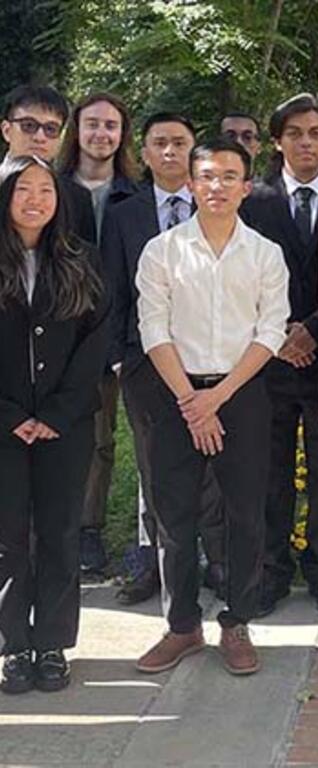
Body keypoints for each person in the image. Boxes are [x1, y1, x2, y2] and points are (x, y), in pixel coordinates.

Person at [135, 138, 289, 676]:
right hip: (174, 393)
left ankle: (238, 621)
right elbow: (153, 328)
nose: (217, 185)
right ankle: (181, 627)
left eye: (229, 176)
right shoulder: (162, 251)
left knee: (245, 513)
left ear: (247, 187)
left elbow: (271, 331)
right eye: (207, 176)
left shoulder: (266, 254)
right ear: (191, 184)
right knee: (174, 516)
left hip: (240, 395)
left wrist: (216, 399)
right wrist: (190, 401)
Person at [102, 113, 226, 605]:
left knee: (213, 463)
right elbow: (112, 290)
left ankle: (217, 559)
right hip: (144, 364)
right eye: (160, 144)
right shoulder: (124, 213)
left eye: (180, 143)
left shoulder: (216, 207)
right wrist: (118, 359)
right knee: (156, 468)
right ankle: (160, 562)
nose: (170, 152)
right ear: (145, 153)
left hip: (210, 362)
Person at [0, 156, 109, 693]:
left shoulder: (81, 260)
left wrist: (57, 413)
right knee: (9, 537)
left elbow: (97, 341)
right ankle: (14, 645)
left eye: (46, 189)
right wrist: (14, 416)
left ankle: (52, 645)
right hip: (4, 426)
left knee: (62, 533)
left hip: (66, 425)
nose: (36, 199)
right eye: (24, 189)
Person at [240, 94, 318, 617]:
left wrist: (314, 331)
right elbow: (239, 278)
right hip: (267, 358)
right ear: (277, 140)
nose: (306, 142)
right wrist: (280, 333)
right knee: (270, 470)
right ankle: (272, 569)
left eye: (315, 132)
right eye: (295, 133)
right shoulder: (251, 201)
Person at [59, 92, 140, 574]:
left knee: (100, 435)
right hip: (54, 326)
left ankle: (88, 529)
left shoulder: (134, 192)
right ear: (77, 130)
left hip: (110, 327)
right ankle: (47, 527)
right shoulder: (50, 185)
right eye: (92, 124)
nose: (101, 134)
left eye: (111, 125)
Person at [1, 85, 96, 244]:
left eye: (51, 129)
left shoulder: (77, 198)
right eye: (29, 126)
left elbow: (86, 262)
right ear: (6, 130)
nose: (40, 137)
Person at [221, 112, 262, 178]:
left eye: (247, 137)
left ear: (259, 147)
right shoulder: (203, 186)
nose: (239, 142)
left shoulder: (273, 188)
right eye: (230, 136)